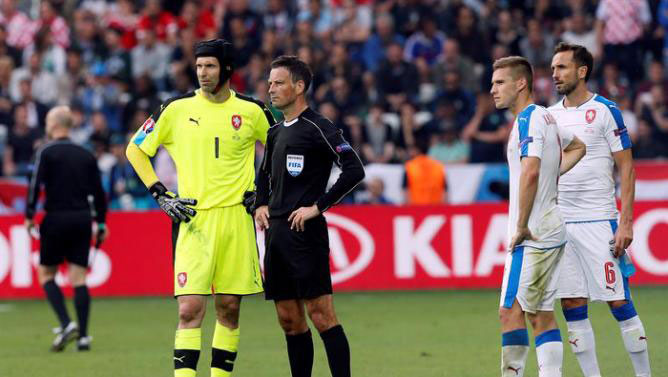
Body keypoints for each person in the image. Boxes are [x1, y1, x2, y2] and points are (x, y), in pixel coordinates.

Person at [125, 39, 274, 377]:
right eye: (198, 67)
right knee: (189, 309)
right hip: (193, 220)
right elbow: (135, 150)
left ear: (227, 69)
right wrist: (161, 193)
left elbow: (280, 150)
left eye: (209, 66)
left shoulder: (252, 111)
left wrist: (263, 193)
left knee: (229, 309)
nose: (202, 73)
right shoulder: (175, 109)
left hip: (237, 219)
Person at [254, 55, 364, 377]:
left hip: (306, 235)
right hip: (275, 235)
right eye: (270, 82)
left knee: (321, 315)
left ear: (299, 87)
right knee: (288, 319)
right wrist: (261, 203)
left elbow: (354, 169)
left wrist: (318, 206)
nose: (270, 89)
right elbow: (264, 174)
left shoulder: (319, 126)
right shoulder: (275, 132)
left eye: (278, 83)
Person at [549, 42, 652, 377]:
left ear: (582, 71)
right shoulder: (550, 115)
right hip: (562, 224)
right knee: (572, 305)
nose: (555, 74)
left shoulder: (606, 110)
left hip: (599, 221)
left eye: (562, 67)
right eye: (553, 68)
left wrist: (625, 223)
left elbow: (627, 168)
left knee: (619, 302)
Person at [491, 56, 586, 377]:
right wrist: (552, 176)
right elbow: (578, 147)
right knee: (541, 314)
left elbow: (530, 172)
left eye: (500, 82)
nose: (493, 90)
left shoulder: (527, 121)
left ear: (521, 83)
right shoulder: (546, 117)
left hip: (532, 233)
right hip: (551, 227)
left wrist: (520, 226)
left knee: (509, 312)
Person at [24, 106, 108, 352]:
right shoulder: (86, 153)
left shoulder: (46, 151)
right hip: (82, 219)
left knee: (47, 275)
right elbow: (99, 193)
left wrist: (29, 215)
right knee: (79, 278)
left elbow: (34, 185)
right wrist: (101, 222)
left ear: (55, 123)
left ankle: (66, 323)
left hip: (56, 218)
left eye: (48, 121)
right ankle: (83, 337)